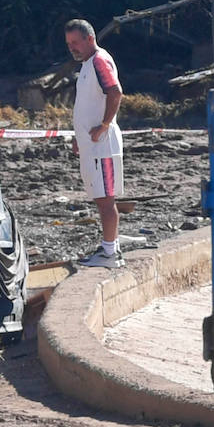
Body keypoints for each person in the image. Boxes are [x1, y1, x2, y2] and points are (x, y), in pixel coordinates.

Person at [65, 18, 126, 268]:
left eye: (76, 43)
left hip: (103, 144)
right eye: (69, 44)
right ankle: (109, 246)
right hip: (92, 145)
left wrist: (104, 125)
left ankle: (110, 253)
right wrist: (80, 138)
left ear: (90, 39)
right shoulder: (88, 64)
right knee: (101, 197)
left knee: (105, 199)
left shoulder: (99, 60)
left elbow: (115, 91)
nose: (72, 48)